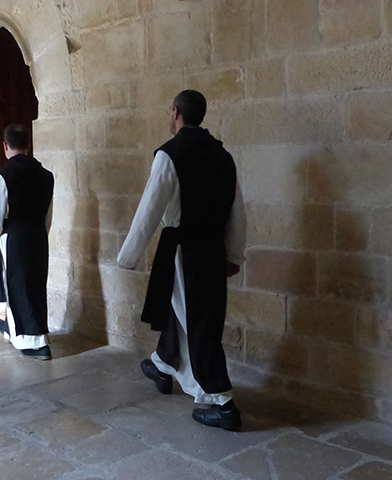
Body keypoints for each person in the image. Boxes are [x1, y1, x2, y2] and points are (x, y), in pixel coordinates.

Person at [117, 90, 247, 431]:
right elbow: (237, 212)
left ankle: (221, 402)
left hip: (183, 251)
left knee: (198, 322)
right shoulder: (223, 156)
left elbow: (149, 210)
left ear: (176, 112)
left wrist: (128, 256)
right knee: (186, 314)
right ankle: (163, 365)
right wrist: (233, 254)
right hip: (212, 249)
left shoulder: (169, 155)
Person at [0, 124, 54, 360]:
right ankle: (13, 327)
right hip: (38, 237)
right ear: (28, 145)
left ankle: (35, 342)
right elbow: (48, 215)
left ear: (5, 146)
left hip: (15, 239)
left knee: (19, 287)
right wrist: (41, 235)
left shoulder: (2, 177)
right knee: (33, 286)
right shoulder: (46, 175)